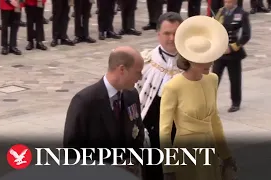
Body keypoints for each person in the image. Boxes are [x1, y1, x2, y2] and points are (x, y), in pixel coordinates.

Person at [159, 15, 237, 180]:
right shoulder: (173, 87)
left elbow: (215, 120)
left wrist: (226, 155)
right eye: (204, 60)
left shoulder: (212, 79)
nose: (210, 63)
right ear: (191, 60)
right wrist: (168, 169)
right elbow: (165, 132)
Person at [63, 46, 145, 178]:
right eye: (137, 72)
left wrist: (132, 160)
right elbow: (72, 151)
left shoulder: (131, 95)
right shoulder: (85, 101)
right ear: (122, 70)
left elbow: (138, 131)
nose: (140, 77)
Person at [134, 12, 183, 180]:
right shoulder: (144, 61)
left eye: (176, 33)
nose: (171, 38)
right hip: (151, 131)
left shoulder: (192, 63)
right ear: (158, 35)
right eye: (167, 33)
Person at [212, 0, 251, 112]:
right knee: (214, 78)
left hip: (233, 52)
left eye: (229, 2)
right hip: (220, 51)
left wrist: (233, 47)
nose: (227, 4)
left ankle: (235, 102)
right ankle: (209, 102)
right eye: (225, 1)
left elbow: (246, 35)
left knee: (234, 79)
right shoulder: (221, 12)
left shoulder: (242, 13)